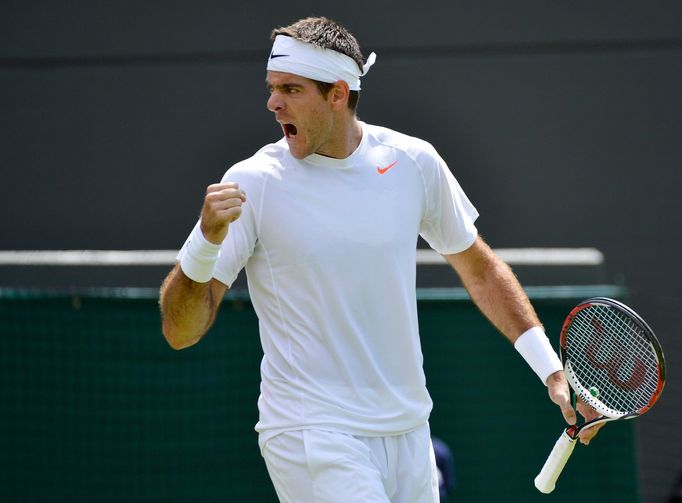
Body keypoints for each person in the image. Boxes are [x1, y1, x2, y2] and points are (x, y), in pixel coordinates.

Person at [160, 16, 603, 502]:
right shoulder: (253, 182)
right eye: (271, 88)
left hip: (410, 433)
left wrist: (551, 370)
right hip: (312, 431)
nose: (272, 102)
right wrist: (205, 242)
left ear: (338, 93)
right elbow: (181, 332)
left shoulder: (413, 162)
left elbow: (480, 271)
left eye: (291, 88)